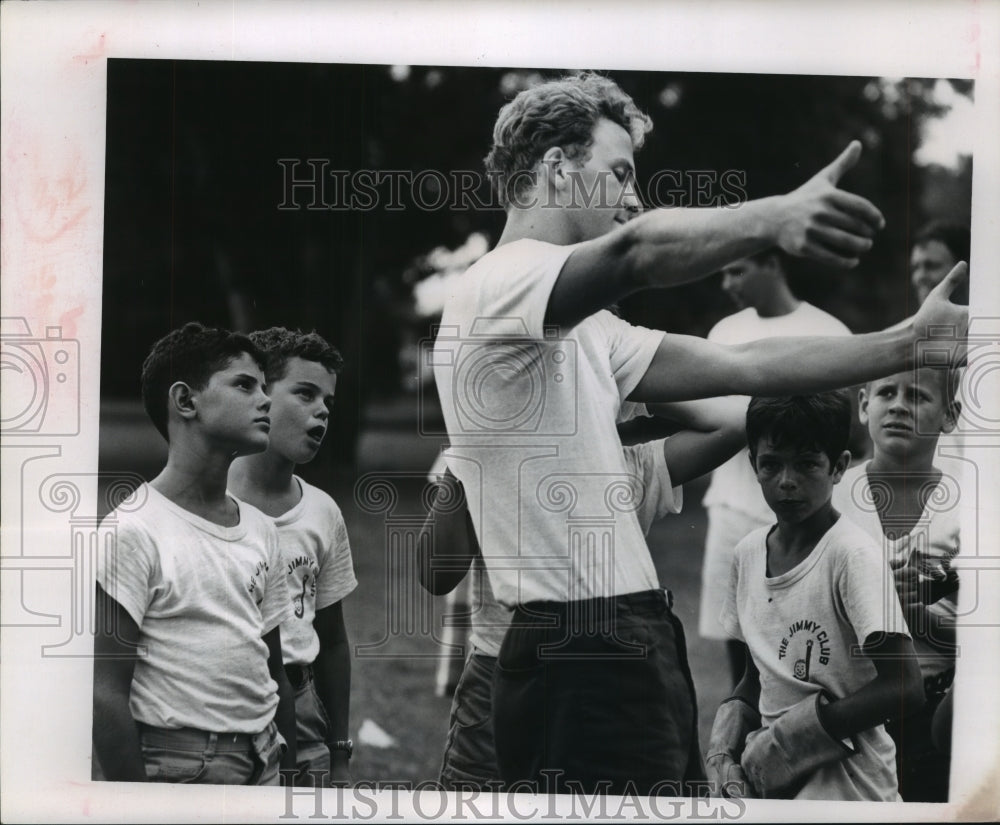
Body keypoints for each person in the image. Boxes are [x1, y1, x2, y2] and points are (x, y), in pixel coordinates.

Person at [433, 71, 967, 795]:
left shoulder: (588, 331)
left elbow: (745, 368)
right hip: (583, 646)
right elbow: (638, 252)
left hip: (625, 635)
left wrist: (908, 342)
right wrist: (773, 217)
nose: (631, 197)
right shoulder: (495, 285)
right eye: (619, 171)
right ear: (556, 167)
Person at [419, 399, 748, 790]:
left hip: (606, 681)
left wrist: (637, 389)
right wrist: (468, 446)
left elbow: (735, 423)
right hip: (501, 678)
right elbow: (435, 574)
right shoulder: (491, 462)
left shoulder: (629, 467)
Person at [93, 322, 296, 784]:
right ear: (185, 401)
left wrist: (293, 776)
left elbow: (275, 671)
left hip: (266, 758)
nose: (266, 400)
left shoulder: (261, 529)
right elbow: (104, 694)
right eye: (245, 385)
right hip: (181, 765)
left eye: (265, 387)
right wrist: (136, 805)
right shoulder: (133, 530)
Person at [710, 392, 924, 800]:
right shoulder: (748, 553)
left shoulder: (850, 554)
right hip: (777, 790)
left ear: (839, 466)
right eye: (771, 464)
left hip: (853, 791)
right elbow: (759, 673)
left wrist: (792, 741)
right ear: (753, 464)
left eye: (807, 463)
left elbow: (904, 687)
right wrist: (725, 744)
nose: (787, 481)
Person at [698, 249, 851, 684]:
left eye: (737, 269)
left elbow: (842, 428)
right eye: (723, 273)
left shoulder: (827, 330)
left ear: (773, 264)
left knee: (801, 634)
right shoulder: (725, 331)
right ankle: (741, 728)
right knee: (737, 633)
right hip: (732, 504)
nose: (728, 283)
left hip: (799, 510)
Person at [229, 327, 356, 788]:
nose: (322, 410)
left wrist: (339, 753)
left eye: (329, 402)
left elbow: (334, 639)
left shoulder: (321, 511)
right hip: (226, 703)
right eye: (305, 394)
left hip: (305, 713)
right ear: (260, 393)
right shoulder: (210, 501)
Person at [832, 366, 962, 801]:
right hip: (845, 704)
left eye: (919, 397)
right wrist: (872, 602)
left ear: (950, 414)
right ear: (864, 404)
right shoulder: (831, 497)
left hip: (932, 711)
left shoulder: (968, 510)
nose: (900, 406)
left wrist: (913, 615)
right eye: (887, 392)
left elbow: (984, 649)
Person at [910, 220, 970, 306]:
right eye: (915, 268)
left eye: (931, 266)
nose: (919, 277)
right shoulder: (913, 320)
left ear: (967, 271)